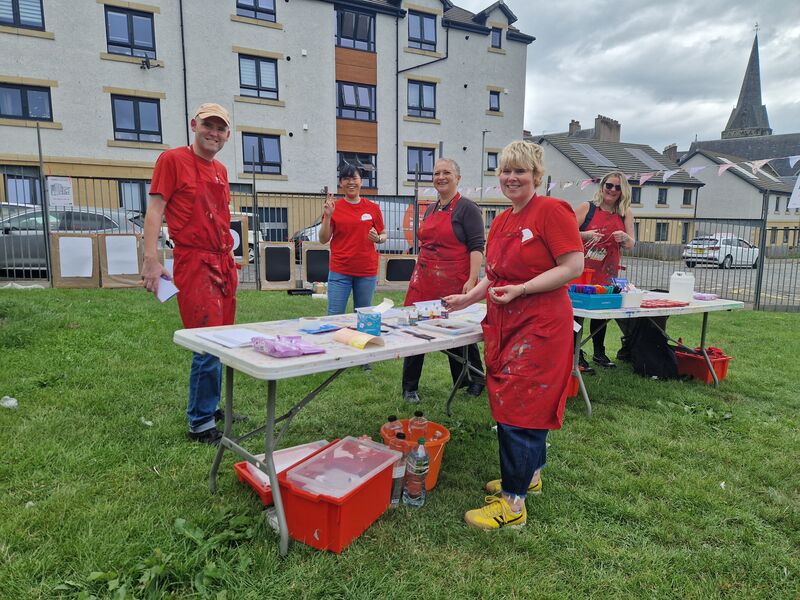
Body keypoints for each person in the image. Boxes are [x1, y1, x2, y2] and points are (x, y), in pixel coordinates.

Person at [444, 141, 583, 530]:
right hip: (507, 323)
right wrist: (468, 297)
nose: (511, 178)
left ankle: (513, 503)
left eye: (520, 170)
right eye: (505, 171)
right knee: (520, 403)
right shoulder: (504, 219)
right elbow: (496, 274)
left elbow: (573, 265)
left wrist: (522, 289)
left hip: (540, 325)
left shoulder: (552, 211)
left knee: (521, 409)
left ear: (536, 175)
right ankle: (530, 475)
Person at [141, 103, 241, 445]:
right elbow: (155, 210)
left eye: (220, 128)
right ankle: (200, 422)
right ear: (194, 125)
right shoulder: (172, 160)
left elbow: (220, 215)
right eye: (208, 126)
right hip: (195, 262)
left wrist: (230, 256)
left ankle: (211, 406)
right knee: (207, 342)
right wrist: (152, 259)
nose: (214, 133)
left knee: (224, 339)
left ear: (228, 135)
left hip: (223, 262)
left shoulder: (221, 170)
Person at [401, 158, 485, 404]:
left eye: (446, 172)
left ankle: (472, 380)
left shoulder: (468, 209)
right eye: (437, 173)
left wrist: (472, 279)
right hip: (424, 280)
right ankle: (410, 387)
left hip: (454, 281)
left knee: (457, 334)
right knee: (415, 331)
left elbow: (477, 247)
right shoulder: (431, 208)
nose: (441, 177)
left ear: (457, 178)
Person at [574, 171, 636, 371]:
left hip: (607, 272)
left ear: (623, 191)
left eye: (617, 187)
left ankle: (599, 353)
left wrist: (624, 238)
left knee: (601, 315)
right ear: (602, 186)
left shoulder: (625, 212)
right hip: (582, 271)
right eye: (609, 185)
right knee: (577, 315)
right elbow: (565, 231)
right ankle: (576, 354)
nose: (612, 190)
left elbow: (631, 244)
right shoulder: (587, 208)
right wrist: (586, 235)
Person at [320, 163, 387, 316]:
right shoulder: (334, 207)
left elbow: (383, 234)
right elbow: (323, 239)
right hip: (340, 270)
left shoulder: (373, 208)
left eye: (354, 178)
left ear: (361, 181)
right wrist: (328, 216)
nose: (350, 182)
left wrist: (378, 238)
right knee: (335, 315)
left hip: (366, 271)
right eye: (346, 178)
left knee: (363, 315)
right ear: (340, 183)